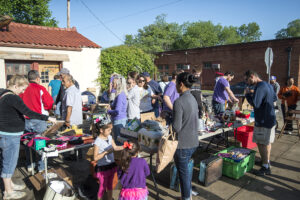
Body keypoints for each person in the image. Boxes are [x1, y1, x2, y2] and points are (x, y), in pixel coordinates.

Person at [0, 75, 56, 200]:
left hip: (6, 134)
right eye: (22, 89)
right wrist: (48, 118)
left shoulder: (3, 94)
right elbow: (29, 112)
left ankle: (10, 185)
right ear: (15, 86)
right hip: (9, 136)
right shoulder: (12, 98)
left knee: (8, 161)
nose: (23, 92)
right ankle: (8, 192)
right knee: (9, 162)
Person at [20, 70, 54, 173]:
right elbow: (49, 103)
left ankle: (30, 165)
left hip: (25, 120)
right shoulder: (40, 88)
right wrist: (47, 110)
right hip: (39, 119)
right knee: (40, 144)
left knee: (27, 143)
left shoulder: (23, 89)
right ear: (38, 79)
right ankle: (41, 167)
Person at [244, 70, 277, 176]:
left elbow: (255, 104)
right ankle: (266, 161)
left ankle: (265, 167)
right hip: (270, 119)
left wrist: (248, 94)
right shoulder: (267, 85)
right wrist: (256, 94)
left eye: (247, 79)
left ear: (252, 76)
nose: (247, 82)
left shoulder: (259, 87)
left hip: (263, 120)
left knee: (261, 143)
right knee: (267, 142)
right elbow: (274, 98)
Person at [173, 72, 199, 200]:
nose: (175, 87)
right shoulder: (192, 97)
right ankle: (188, 195)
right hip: (193, 141)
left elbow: (176, 127)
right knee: (186, 172)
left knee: (183, 174)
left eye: (176, 84)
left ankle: (186, 198)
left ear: (181, 85)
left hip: (183, 144)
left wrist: (169, 119)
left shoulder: (179, 101)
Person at [93, 114, 123, 200]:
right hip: (103, 168)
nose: (110, 132)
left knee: (110, 185)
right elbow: (95, 158)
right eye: (109, 130)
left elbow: (116, 147)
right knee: (102, 187)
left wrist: (125, 146)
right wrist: (105, 152)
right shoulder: (97, 142)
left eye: (111, 130)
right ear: (101, 130)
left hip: (111, 165)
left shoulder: (109, 137)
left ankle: (110, 198)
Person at [107, 75, 128, 145]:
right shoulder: (120, 94)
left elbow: (117, 111)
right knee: (119, 141)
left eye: (114, 83)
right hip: (119, 120)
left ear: (118, 84)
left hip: (119, 120)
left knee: (119, 142)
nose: (112, 84)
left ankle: (120, 156)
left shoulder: (120, 95)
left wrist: (108, 111)